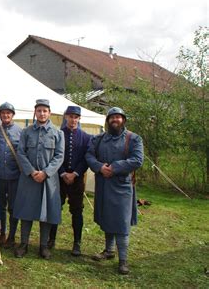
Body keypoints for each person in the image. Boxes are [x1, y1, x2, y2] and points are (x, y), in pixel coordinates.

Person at [85, 107, 144, 275]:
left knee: (121, 222)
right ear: (107, 120)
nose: (115, 120)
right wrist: (99, 167)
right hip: (103, 185)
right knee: (106, 218)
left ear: (123, 120)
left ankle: (123, 260)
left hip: (122, 187)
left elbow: (137, 160)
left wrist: (115, 167)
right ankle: (109, 250)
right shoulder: (98, 139)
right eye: (112, 117)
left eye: (118, 117)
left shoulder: (134, 139)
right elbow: (89, 156)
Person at [13, 99, 64, 259]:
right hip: (29, 179)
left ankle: (43, 246)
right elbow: (20, 152)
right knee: (26, 212)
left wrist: (46, 173)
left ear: (49, 113)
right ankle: (24, 244)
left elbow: (59, 156)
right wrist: (32, 171)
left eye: (45, 111)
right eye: (39, 110)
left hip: (48, 180)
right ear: (35, 112)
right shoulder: (26, 132)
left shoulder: (57, 133)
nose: (42, 113)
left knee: (46, 212)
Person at [48, 106, 91, 256]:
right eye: (70, 116)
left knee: (77, 211)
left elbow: (86, 158)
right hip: (59, 179)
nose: (73, 120)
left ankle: (77, 243)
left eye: (75, 117)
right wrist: (62, 173)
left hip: (77, 180)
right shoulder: (58, 134)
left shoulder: (86, 137)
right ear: (65, 117)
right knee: (55, 208)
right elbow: (55, 156)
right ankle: (51, 239)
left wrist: (75, 173)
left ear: (79, 119)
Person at [0, 102, 22, 248]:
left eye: (8, 113)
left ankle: (12, 236)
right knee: (0, 206)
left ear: (13, 115)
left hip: (15, 176)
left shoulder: (20, 132)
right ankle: (2, 233)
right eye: (3, 113)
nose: (5, 115)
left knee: (13, 207)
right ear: (0, 115)